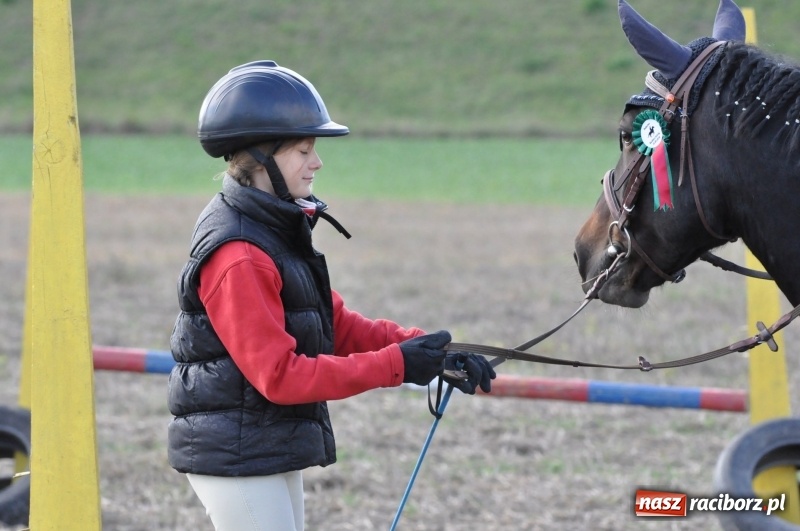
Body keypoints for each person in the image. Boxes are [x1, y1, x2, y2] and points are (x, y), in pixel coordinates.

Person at [167, 60, 496, 531]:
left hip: (262, 441)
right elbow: (279, 375)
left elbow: (333, 325)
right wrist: (398, 365)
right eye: (303, 149)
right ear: (261, 159)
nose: (317, 162)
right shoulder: (239, 253)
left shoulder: (271, 227)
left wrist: (433, 350)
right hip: (235, 453)